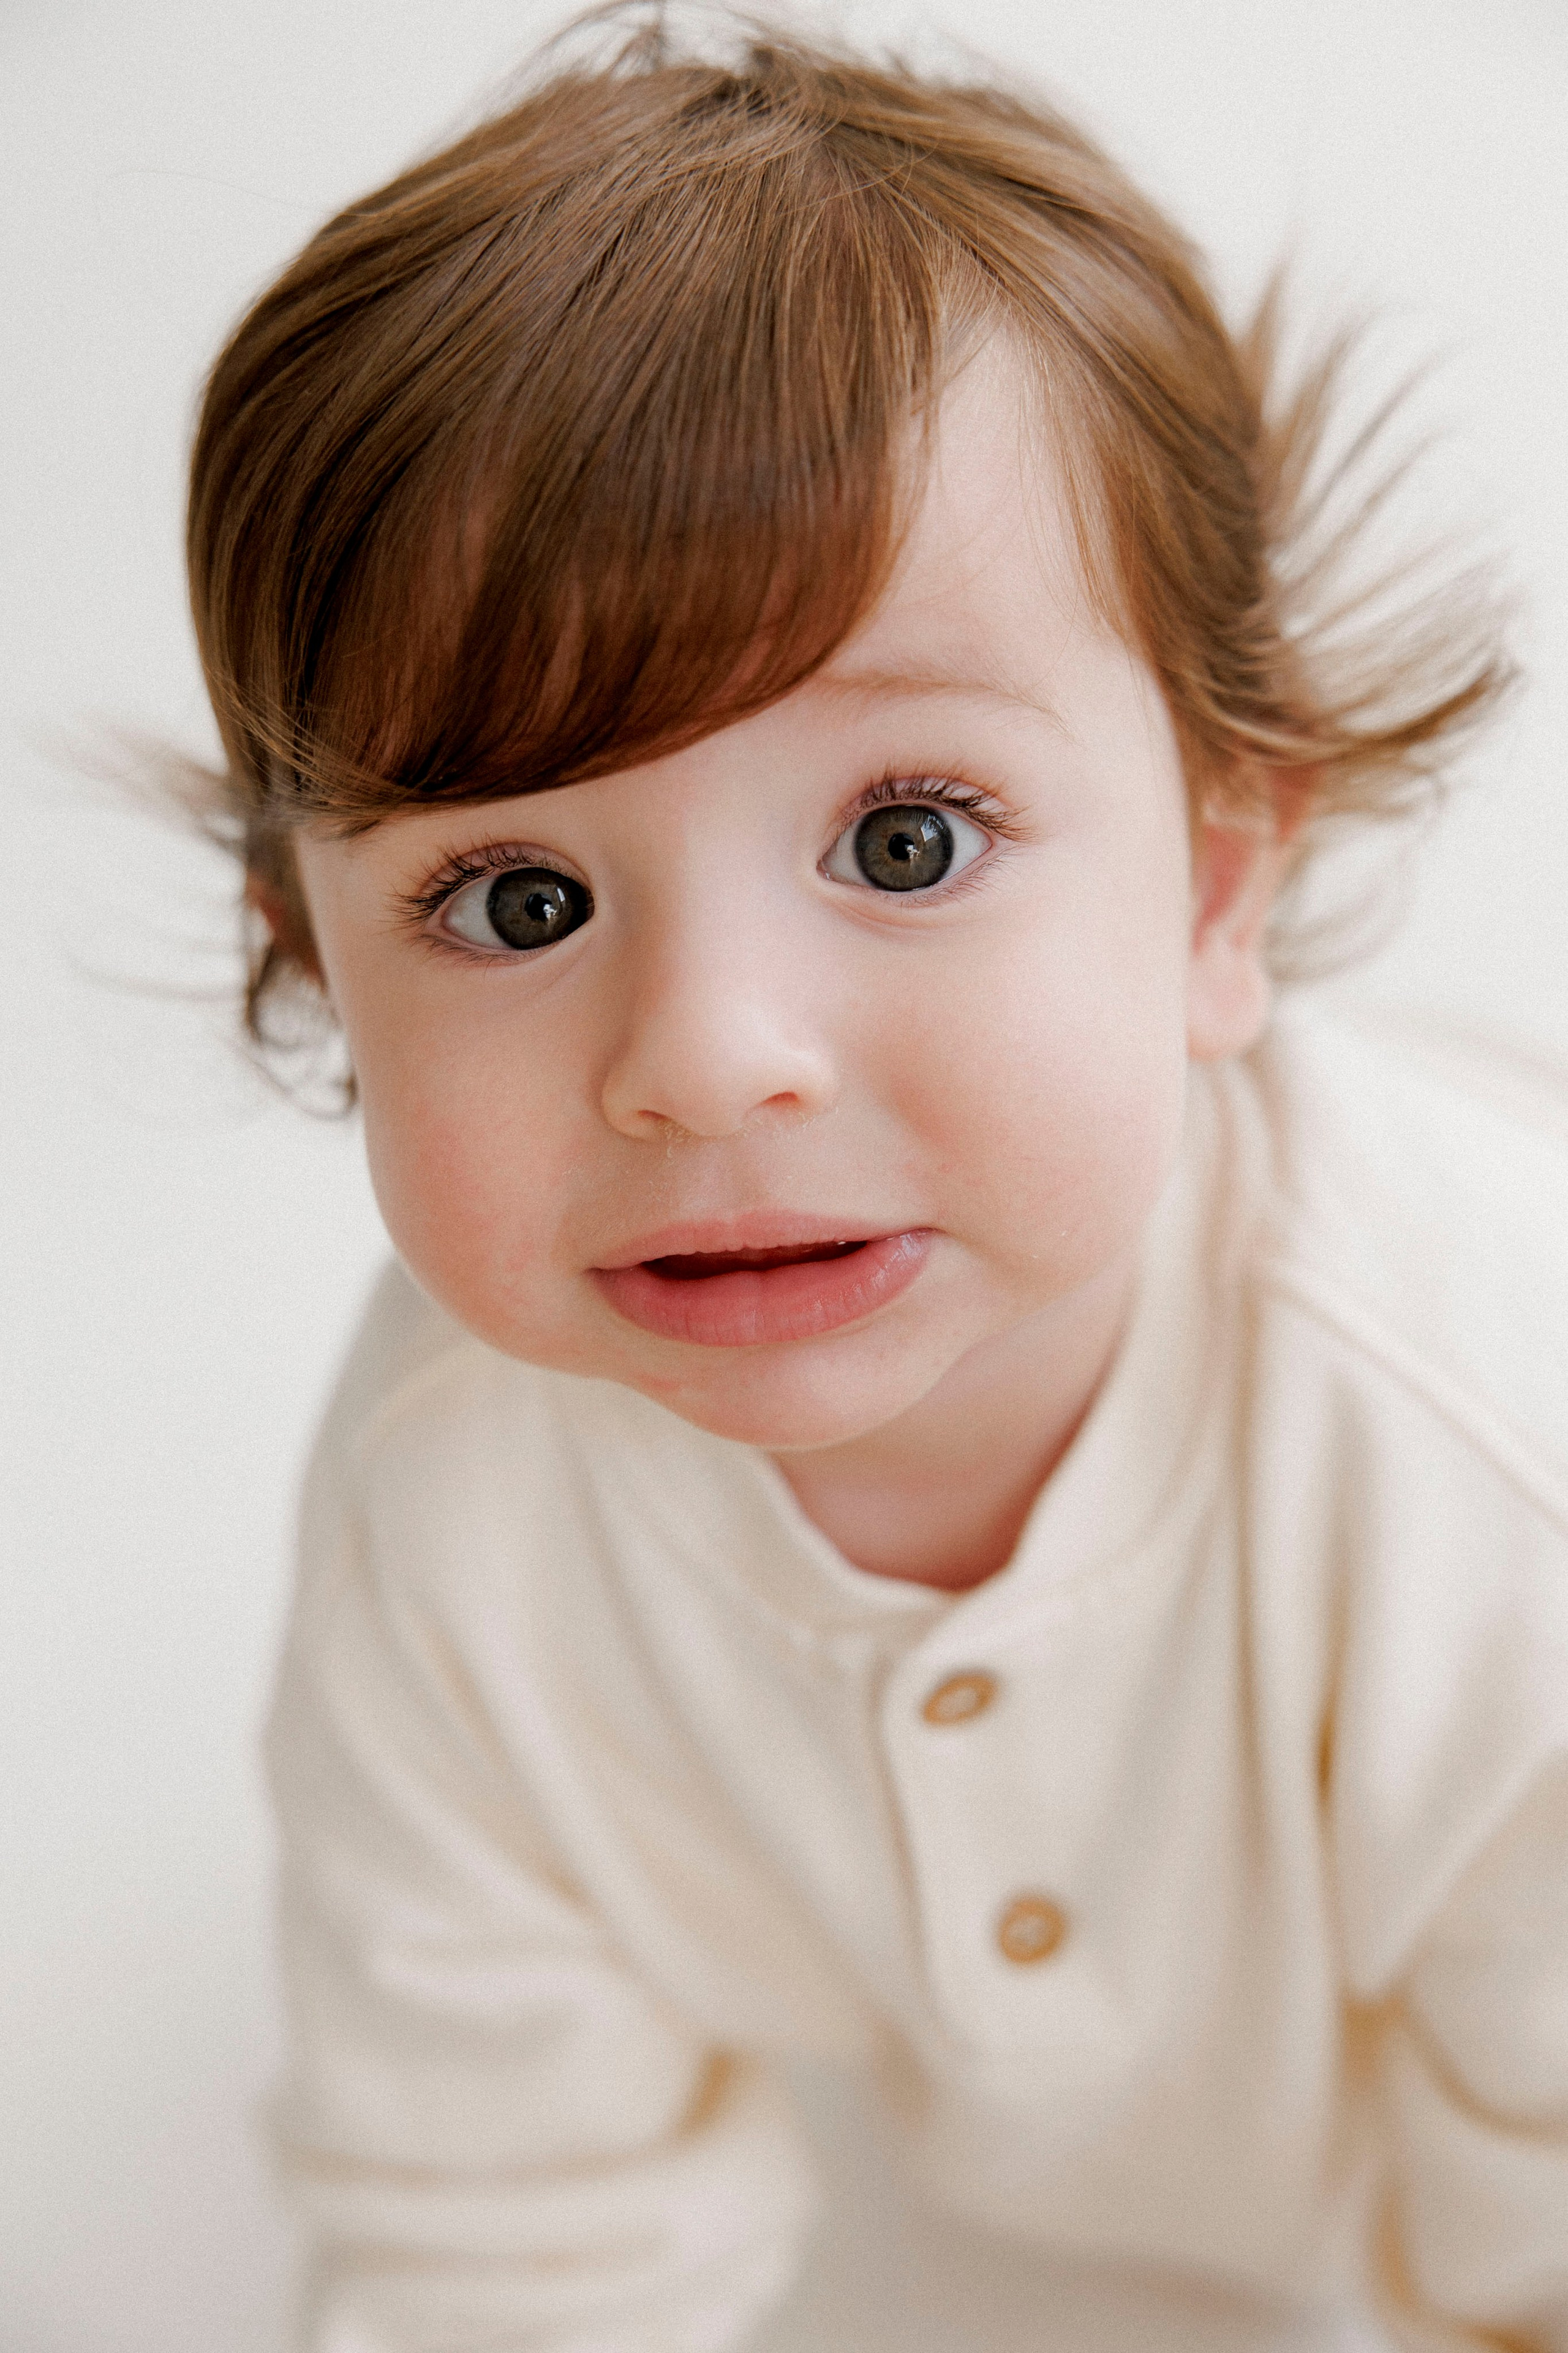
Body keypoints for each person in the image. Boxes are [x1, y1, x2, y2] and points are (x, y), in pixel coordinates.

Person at [180, 12, 1568, 2349]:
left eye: (905, 839)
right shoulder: (457, 1508)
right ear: (315, 956)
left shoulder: (1486, 1463)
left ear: (1219, 886)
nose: (708, 1058)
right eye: (520, 897)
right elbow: (492, 2243)